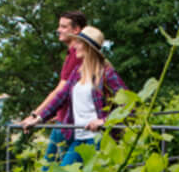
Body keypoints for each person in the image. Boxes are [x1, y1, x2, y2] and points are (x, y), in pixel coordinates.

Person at [34, 26, 127, 164]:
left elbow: (129, 105)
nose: (74, 46)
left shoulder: (107, 74)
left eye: (79, 43)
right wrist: (38, 118)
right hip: (79, 138)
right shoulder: (77, 72)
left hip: (99, 139)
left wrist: (105, 121)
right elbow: (61, 96)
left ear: (88, 48)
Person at [19, 10, 87, 156]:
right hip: (64, 117)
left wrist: (35, 115)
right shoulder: (73, 53)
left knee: (51, 168)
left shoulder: (77, 54)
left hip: (67, 122)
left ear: (76, 30)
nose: (58, 30)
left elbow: (61, 90)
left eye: (63, 27)